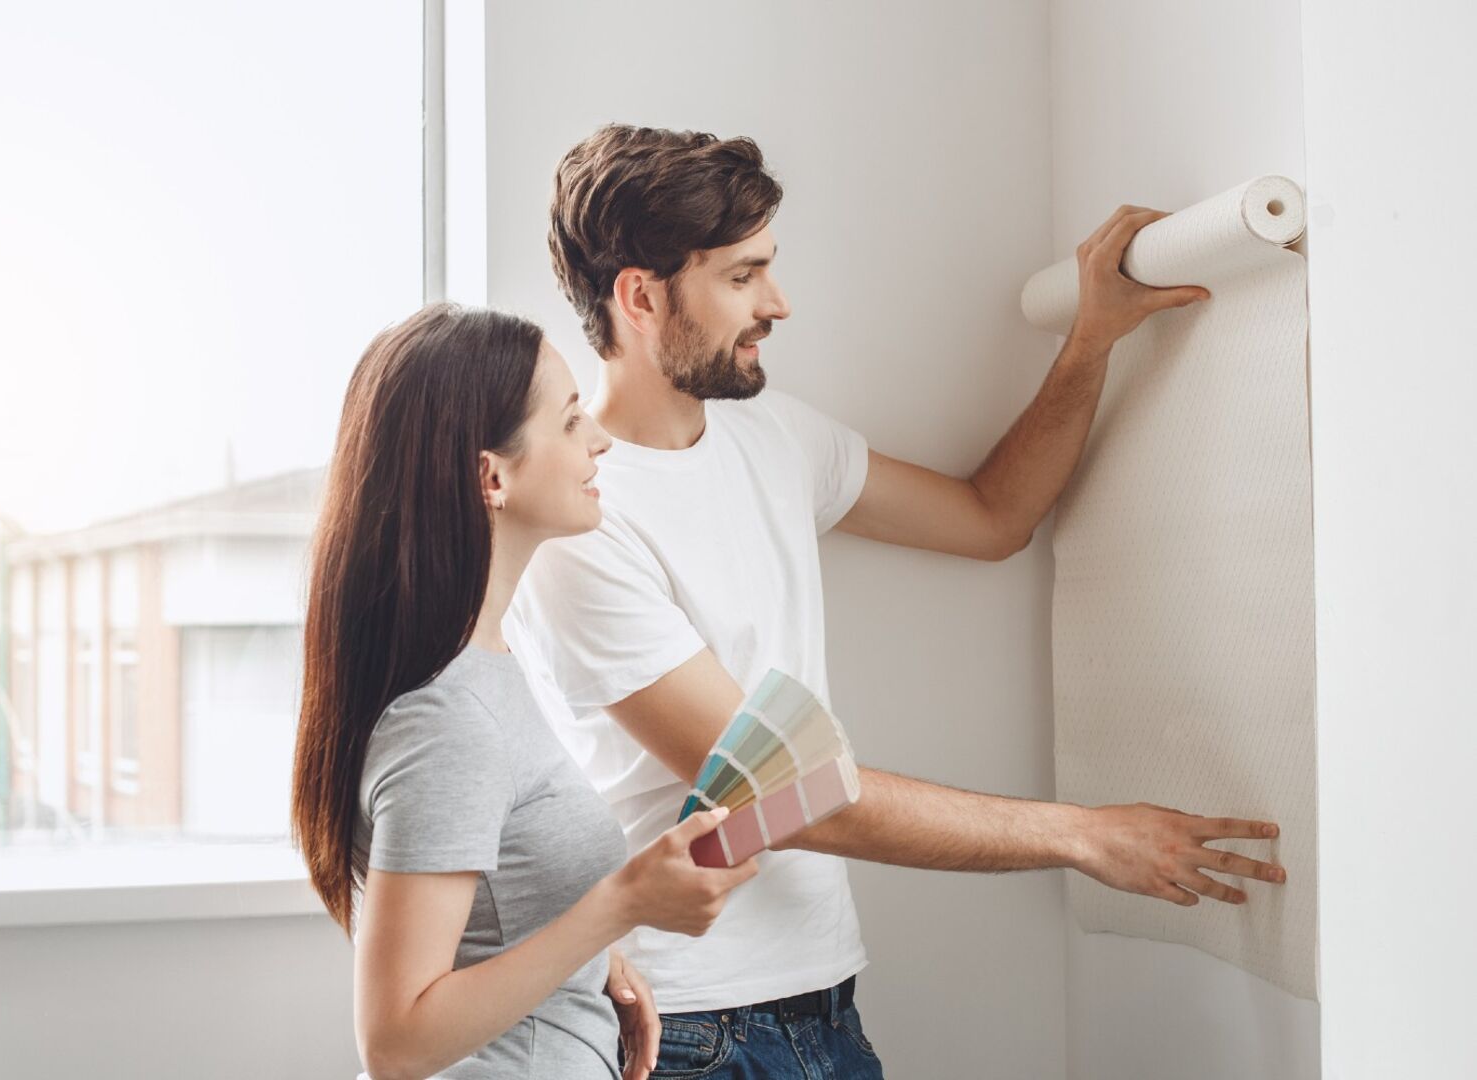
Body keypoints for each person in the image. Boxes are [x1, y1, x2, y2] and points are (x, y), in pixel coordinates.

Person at [511, 124, 1288, 1078]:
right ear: (641, 295)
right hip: (688, 1026)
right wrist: (1080, 834)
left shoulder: (775, 439)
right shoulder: (583, 520)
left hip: (821, 992)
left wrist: (1092, 338)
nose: (779, 303)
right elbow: (786, 799)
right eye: (743, 277)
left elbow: (992, 516)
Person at [291, 303, 757, 1080]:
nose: (599, 440)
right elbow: (396, 1043)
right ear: (493, 475)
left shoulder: (488, 667)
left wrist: (595, 964)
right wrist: (619, 906)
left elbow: (491, 912)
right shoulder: (448, 720)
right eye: (572, 421)